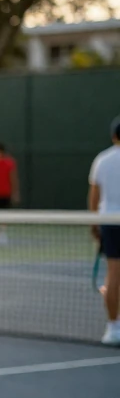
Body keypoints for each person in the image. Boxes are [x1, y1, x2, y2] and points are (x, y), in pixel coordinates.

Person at [89, 116, 120, 345]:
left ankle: (112, 328)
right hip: (110, 221)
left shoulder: (102, 159)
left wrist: (93, 224)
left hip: (109, 222)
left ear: (113, 136)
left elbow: (94, 196)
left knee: (114, 275)